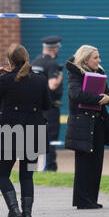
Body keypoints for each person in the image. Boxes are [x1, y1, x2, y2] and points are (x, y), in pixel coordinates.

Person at [0, 44, 51, 217]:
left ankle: (14, 210)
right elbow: (47, 105)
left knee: (2, 174)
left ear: (10, 61)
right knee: (27, 176)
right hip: (33, 132)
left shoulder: (6, 79)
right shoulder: (40, 80)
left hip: (10, 133)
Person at [64, 45, 109, 209]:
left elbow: (108, 94)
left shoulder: (100, 72)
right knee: (84, 164)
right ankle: (82, 200)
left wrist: (108, 98)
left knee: (97, 163)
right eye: (95, 57)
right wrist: (98, 99)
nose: (99, 60)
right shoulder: (75, 73)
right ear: (86, 59)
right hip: (82, 124)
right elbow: (76, 94)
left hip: (98, 123)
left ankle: (92, 199)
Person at [31, 36, 64, 172]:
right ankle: (50, 167)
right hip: (49, 108)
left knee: (35, 137)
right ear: (55, 48)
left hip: (35, 107)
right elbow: (52, 85)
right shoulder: (52, 63)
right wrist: (60, 74)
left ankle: (31, 166)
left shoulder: (35, 62)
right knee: (50, 138)